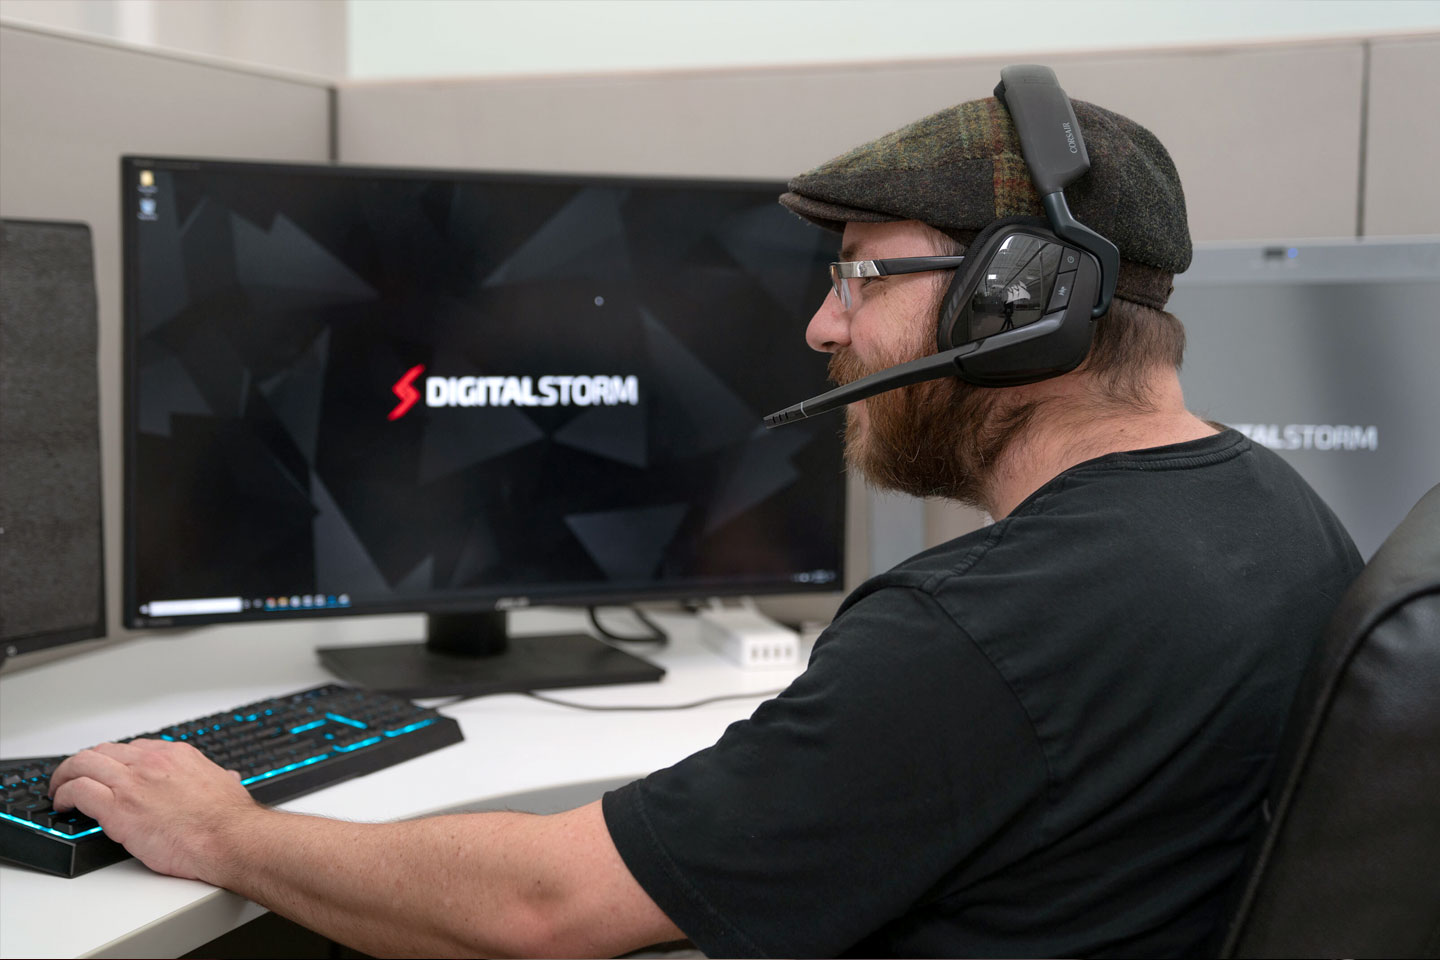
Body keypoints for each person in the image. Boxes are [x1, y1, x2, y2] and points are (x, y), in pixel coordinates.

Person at [49, 83, 1362, 959]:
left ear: (1021, 298)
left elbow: (543, 907)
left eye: (857, 274)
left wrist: (225, 831)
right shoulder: (1276, 517)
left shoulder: (983, 629)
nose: (820, 326)